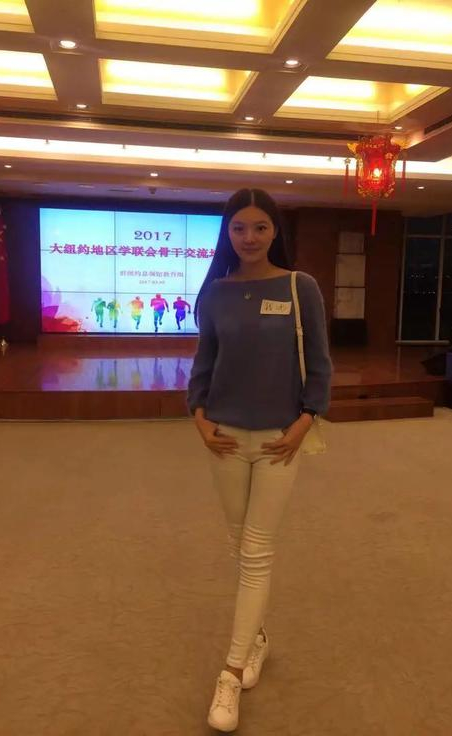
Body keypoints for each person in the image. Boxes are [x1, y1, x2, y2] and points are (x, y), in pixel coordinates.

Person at [186, 188, 331, 732]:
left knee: (256, 551)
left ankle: (230, 670)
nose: (249, 238)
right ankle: (258, 639)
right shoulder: (216, 292)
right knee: (239, 545)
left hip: (278, 441)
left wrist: (304, 422)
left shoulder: (300, 286)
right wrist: (199, 418)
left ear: (275, 232)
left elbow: (320, 363)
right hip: (224, 437)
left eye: (260, 227)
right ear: (227, 234)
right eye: (239, 228)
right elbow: (205, 361)